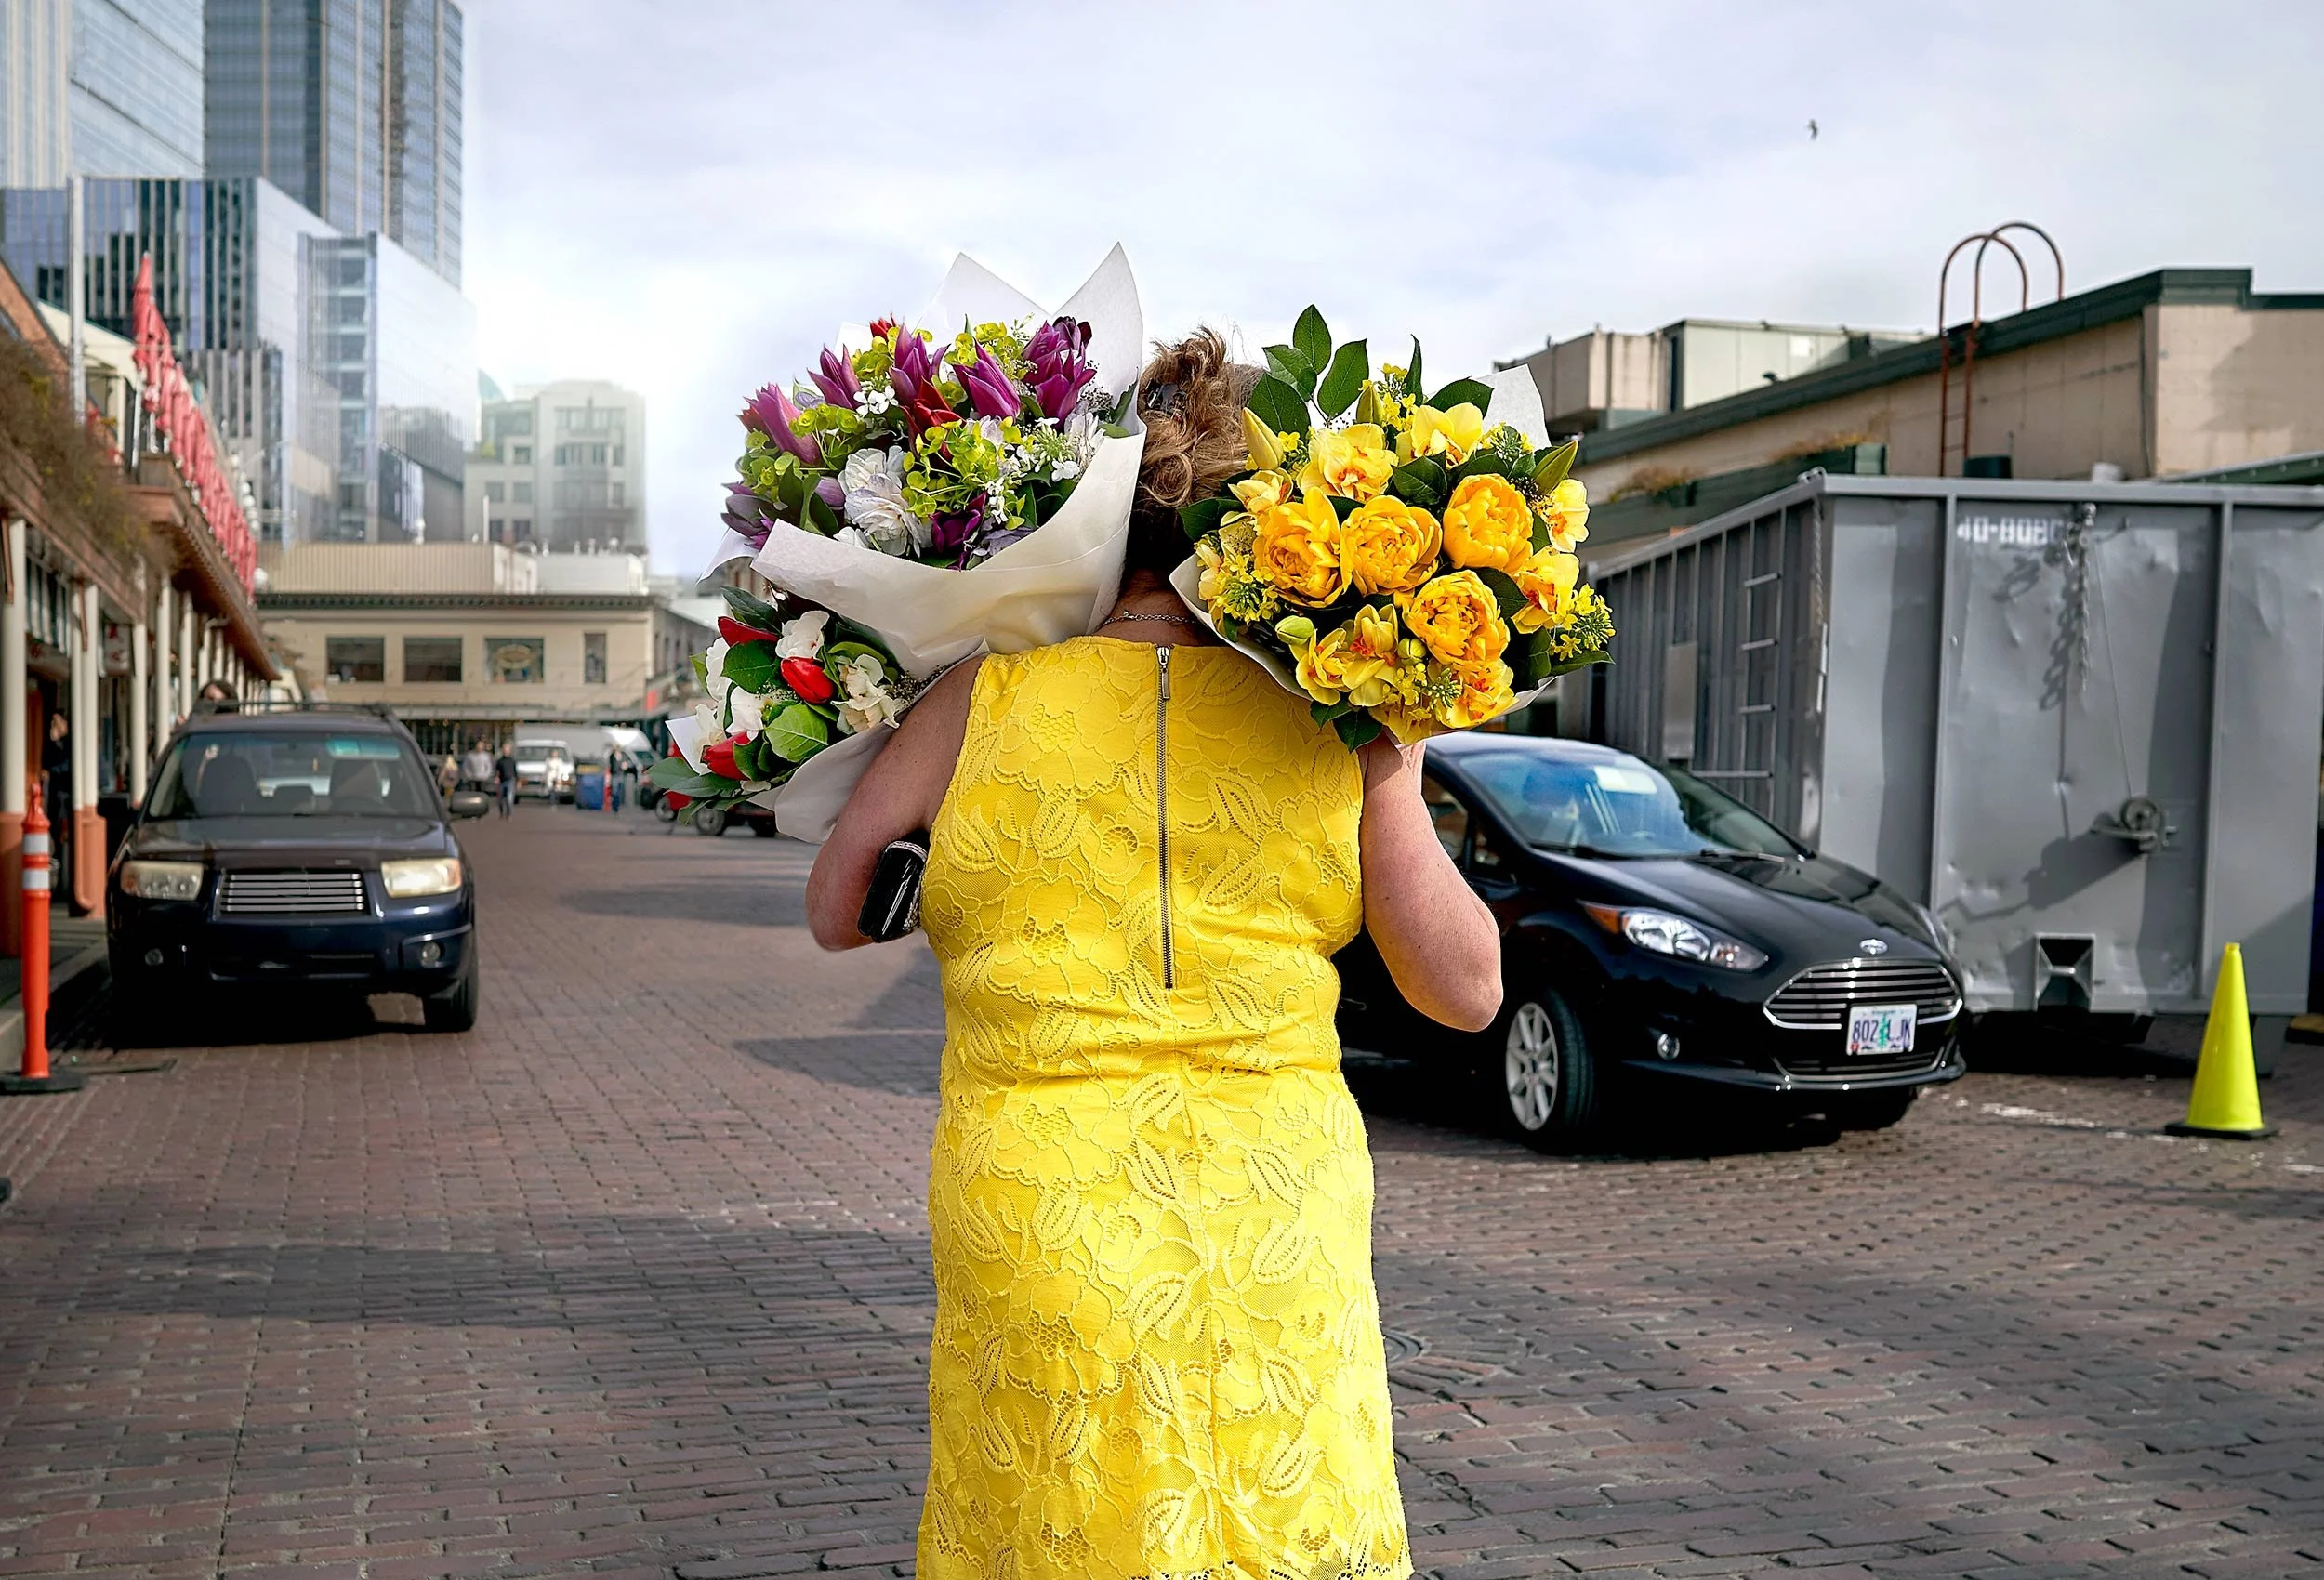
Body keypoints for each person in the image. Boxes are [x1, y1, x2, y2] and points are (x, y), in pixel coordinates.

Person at [806, 332, 1502, 1580]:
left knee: (1057, 1515)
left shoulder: (983, 697)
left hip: (1039, 1194)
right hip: (1273, 1206)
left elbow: (835, 909)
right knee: (1276, 1511)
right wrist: (1392, 749)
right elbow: (1466, 990)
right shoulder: (1337, 724)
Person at [493, 743, 517, 818]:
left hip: (510, 781)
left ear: (509, 751)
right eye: (504, 750)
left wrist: (518, 781)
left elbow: (515, 771)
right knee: (500, 799)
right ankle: (501, 812)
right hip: (502, 781)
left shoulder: (512, 760)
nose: (506, 751)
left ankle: (509, 814)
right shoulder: (500, 761)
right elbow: (497, 771)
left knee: (509, 798)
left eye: (507, 750)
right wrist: (496, 778)